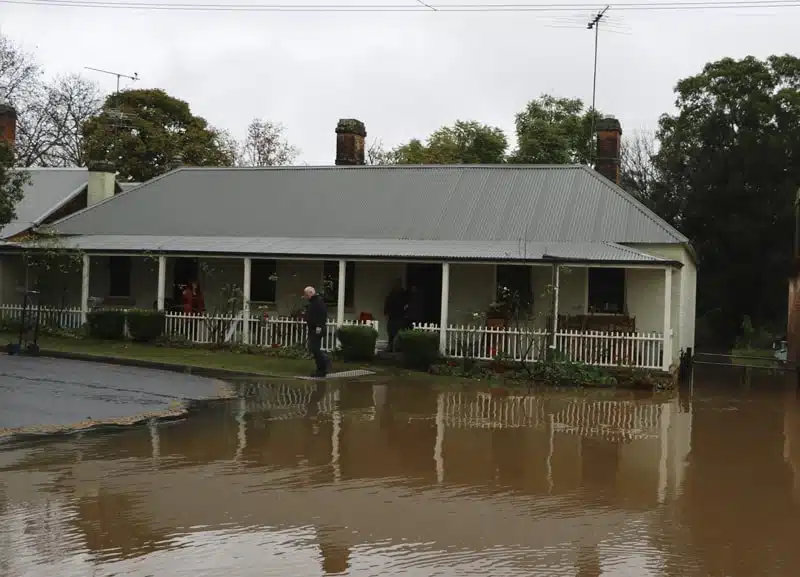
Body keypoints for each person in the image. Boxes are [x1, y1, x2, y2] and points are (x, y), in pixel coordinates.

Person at [304, 286, 332, 377]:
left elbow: (322, 315)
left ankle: (323, 367)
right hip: (313, 329)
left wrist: (319, 326)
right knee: (313, 348)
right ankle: (322, 367)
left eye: (306, 294)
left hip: (317, 329)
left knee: (315, 348)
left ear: (311, 293)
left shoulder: (318, 302)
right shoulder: (313, 302)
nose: (305, 296)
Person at [383, 278, 408, 352]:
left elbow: (406, 304)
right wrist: (386, 312)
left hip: (400, 317)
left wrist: (405, 312)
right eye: (395, 284)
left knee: (399, 333)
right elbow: (387, 303)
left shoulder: (403, 294)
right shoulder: (391, 294)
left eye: (397, 284)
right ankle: (390, 346)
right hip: (392, 316)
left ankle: (398, 348)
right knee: (390, 332)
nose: (396, 285)